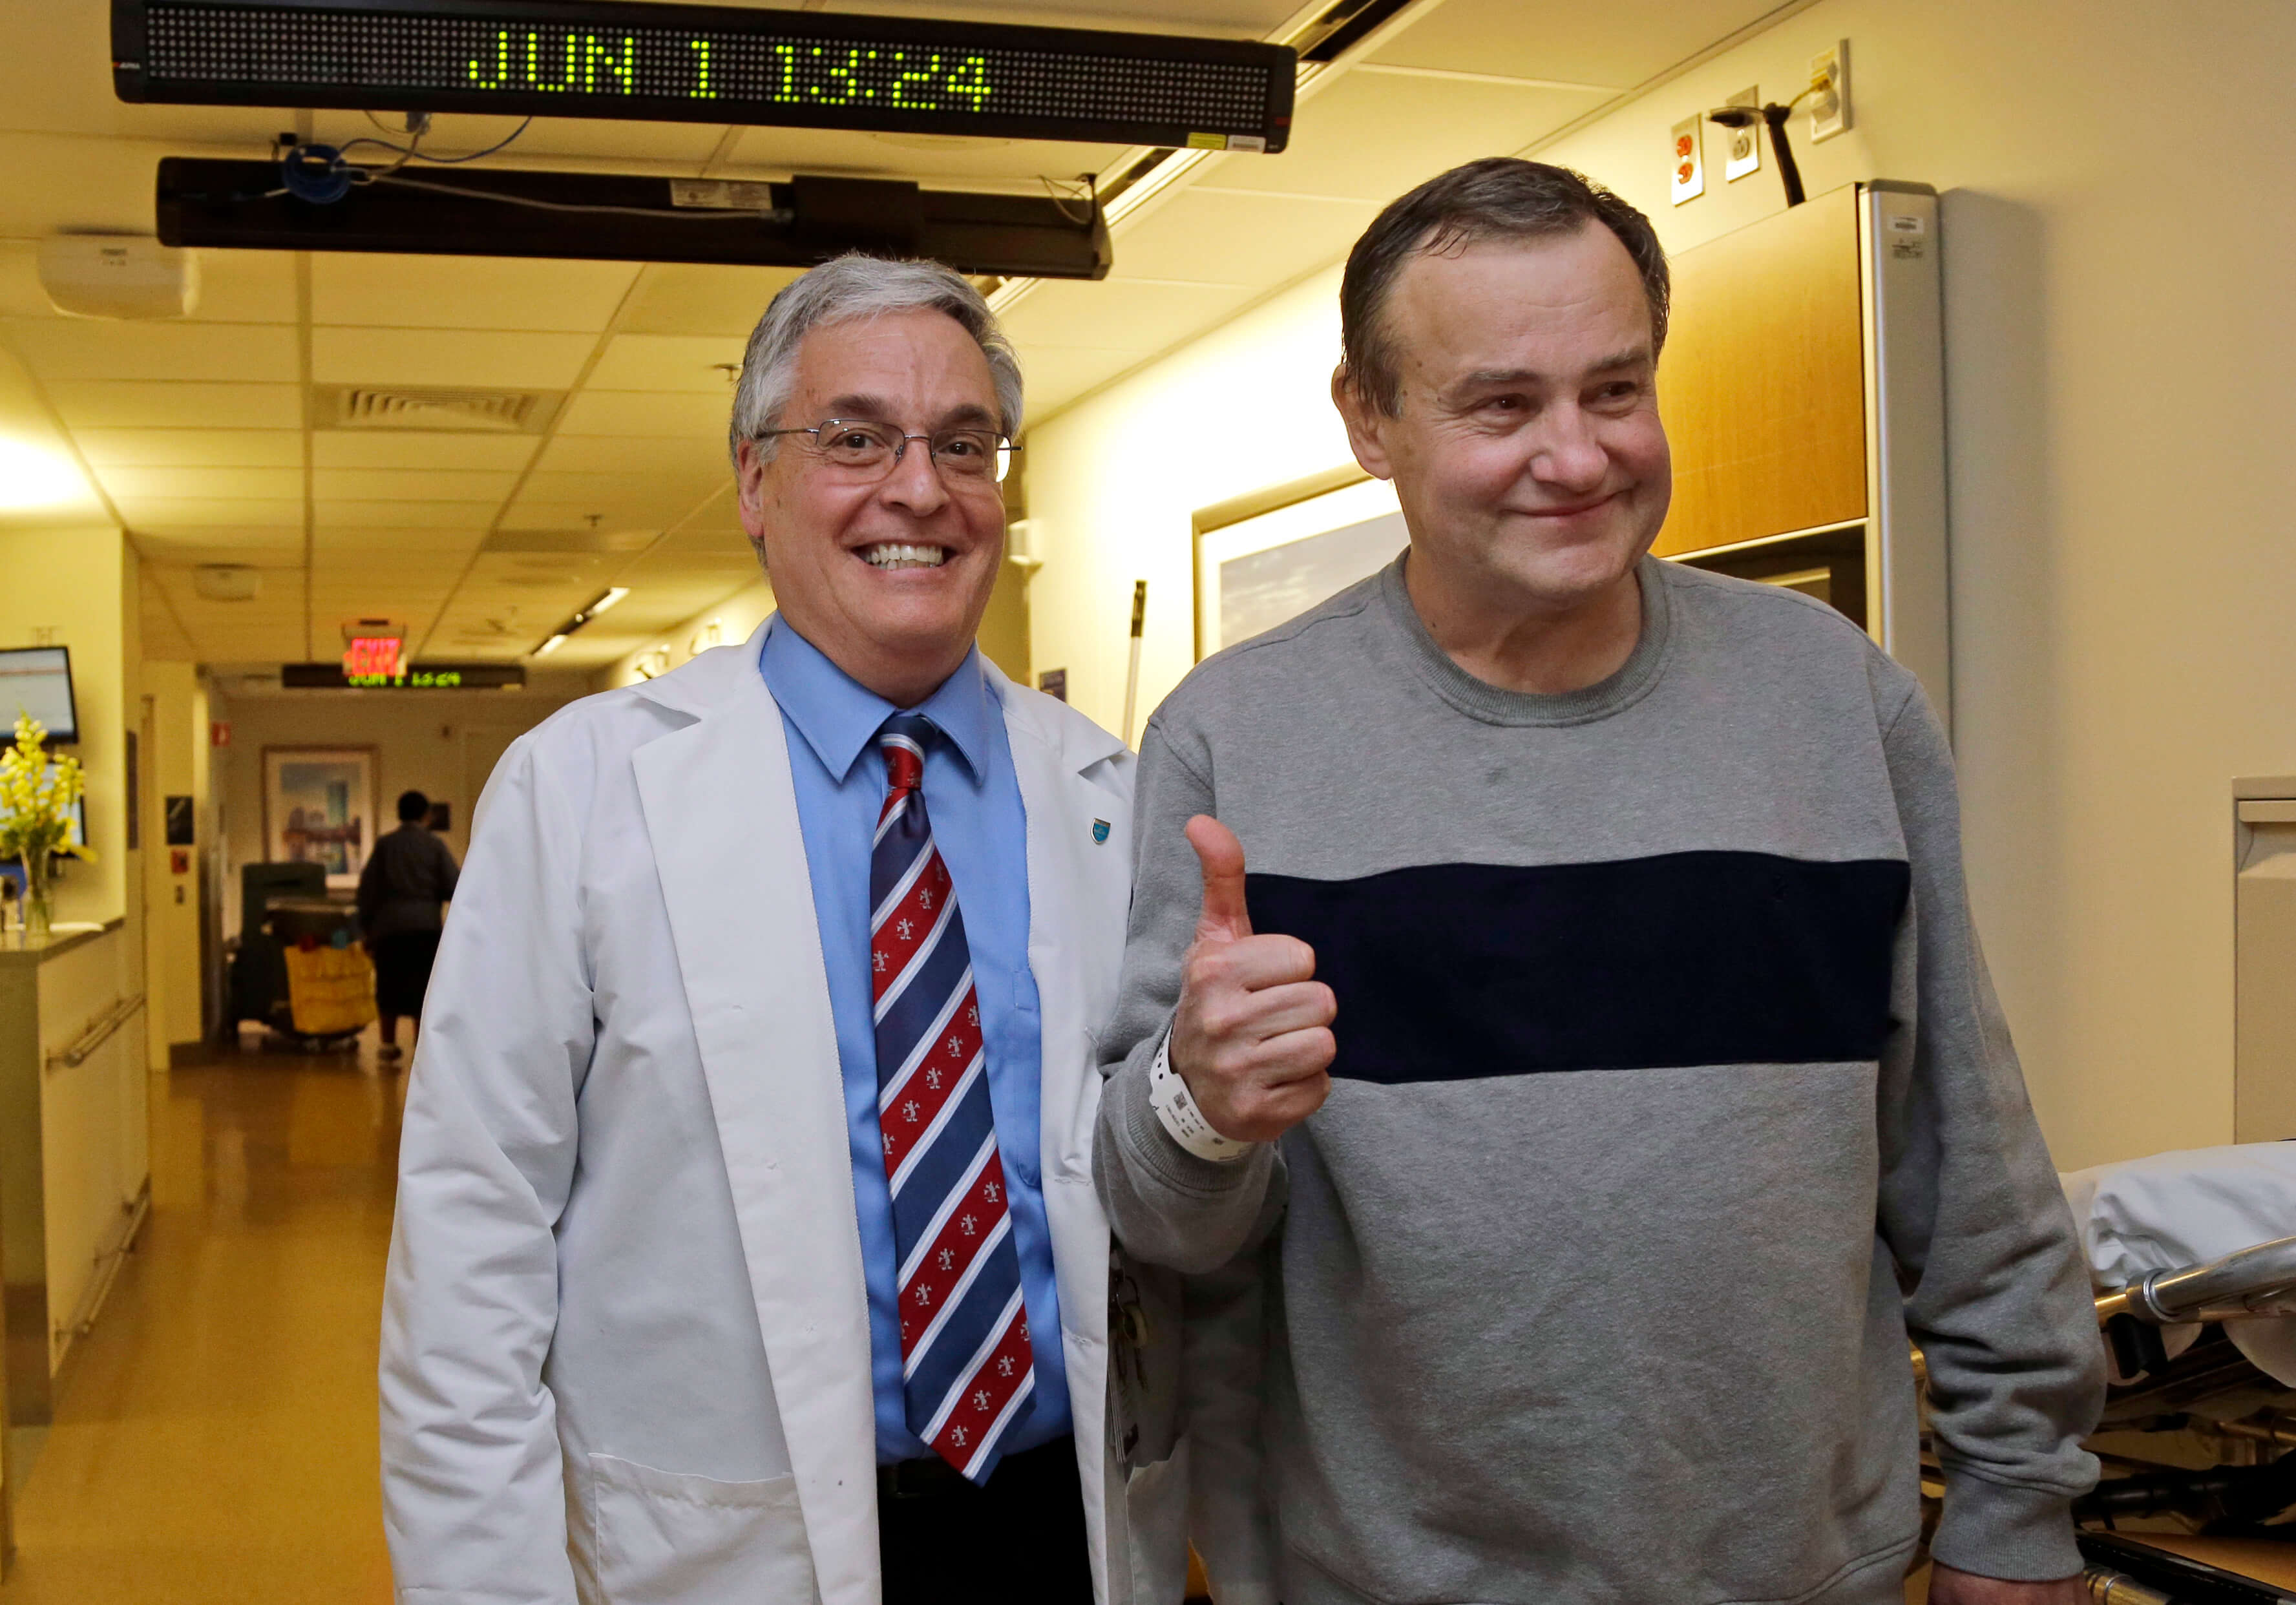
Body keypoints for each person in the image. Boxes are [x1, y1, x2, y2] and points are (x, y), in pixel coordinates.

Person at [1093, 159, 2105, 1605]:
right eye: (1502, 405)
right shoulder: (1234, 738)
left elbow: (1965, 1150)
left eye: (1615, 391)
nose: (1575, 457)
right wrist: (1197, 1102)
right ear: (1367, 420)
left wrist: (2021, 1499)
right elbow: (1156, 1223)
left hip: (1802, 1569)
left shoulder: (1836, 704)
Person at [378, 255, 1185, 1605]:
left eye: (964, 443)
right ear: (754, 481)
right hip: (719, 1545)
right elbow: (472, 1247)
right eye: (855, 438)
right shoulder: (583, 788)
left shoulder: (1106, 793)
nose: (917, 488)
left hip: (1060, 1521)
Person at [355, 788, 458, 1062]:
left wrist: (365, 930)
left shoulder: (385, 845)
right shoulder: (435, 846)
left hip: (389, 930)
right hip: (425, 928)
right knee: (422, 988)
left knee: (388, 986)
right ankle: (419, 1045)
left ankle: (387, 1045)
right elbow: (454, 886)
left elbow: (368, 891)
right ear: (426, 815)